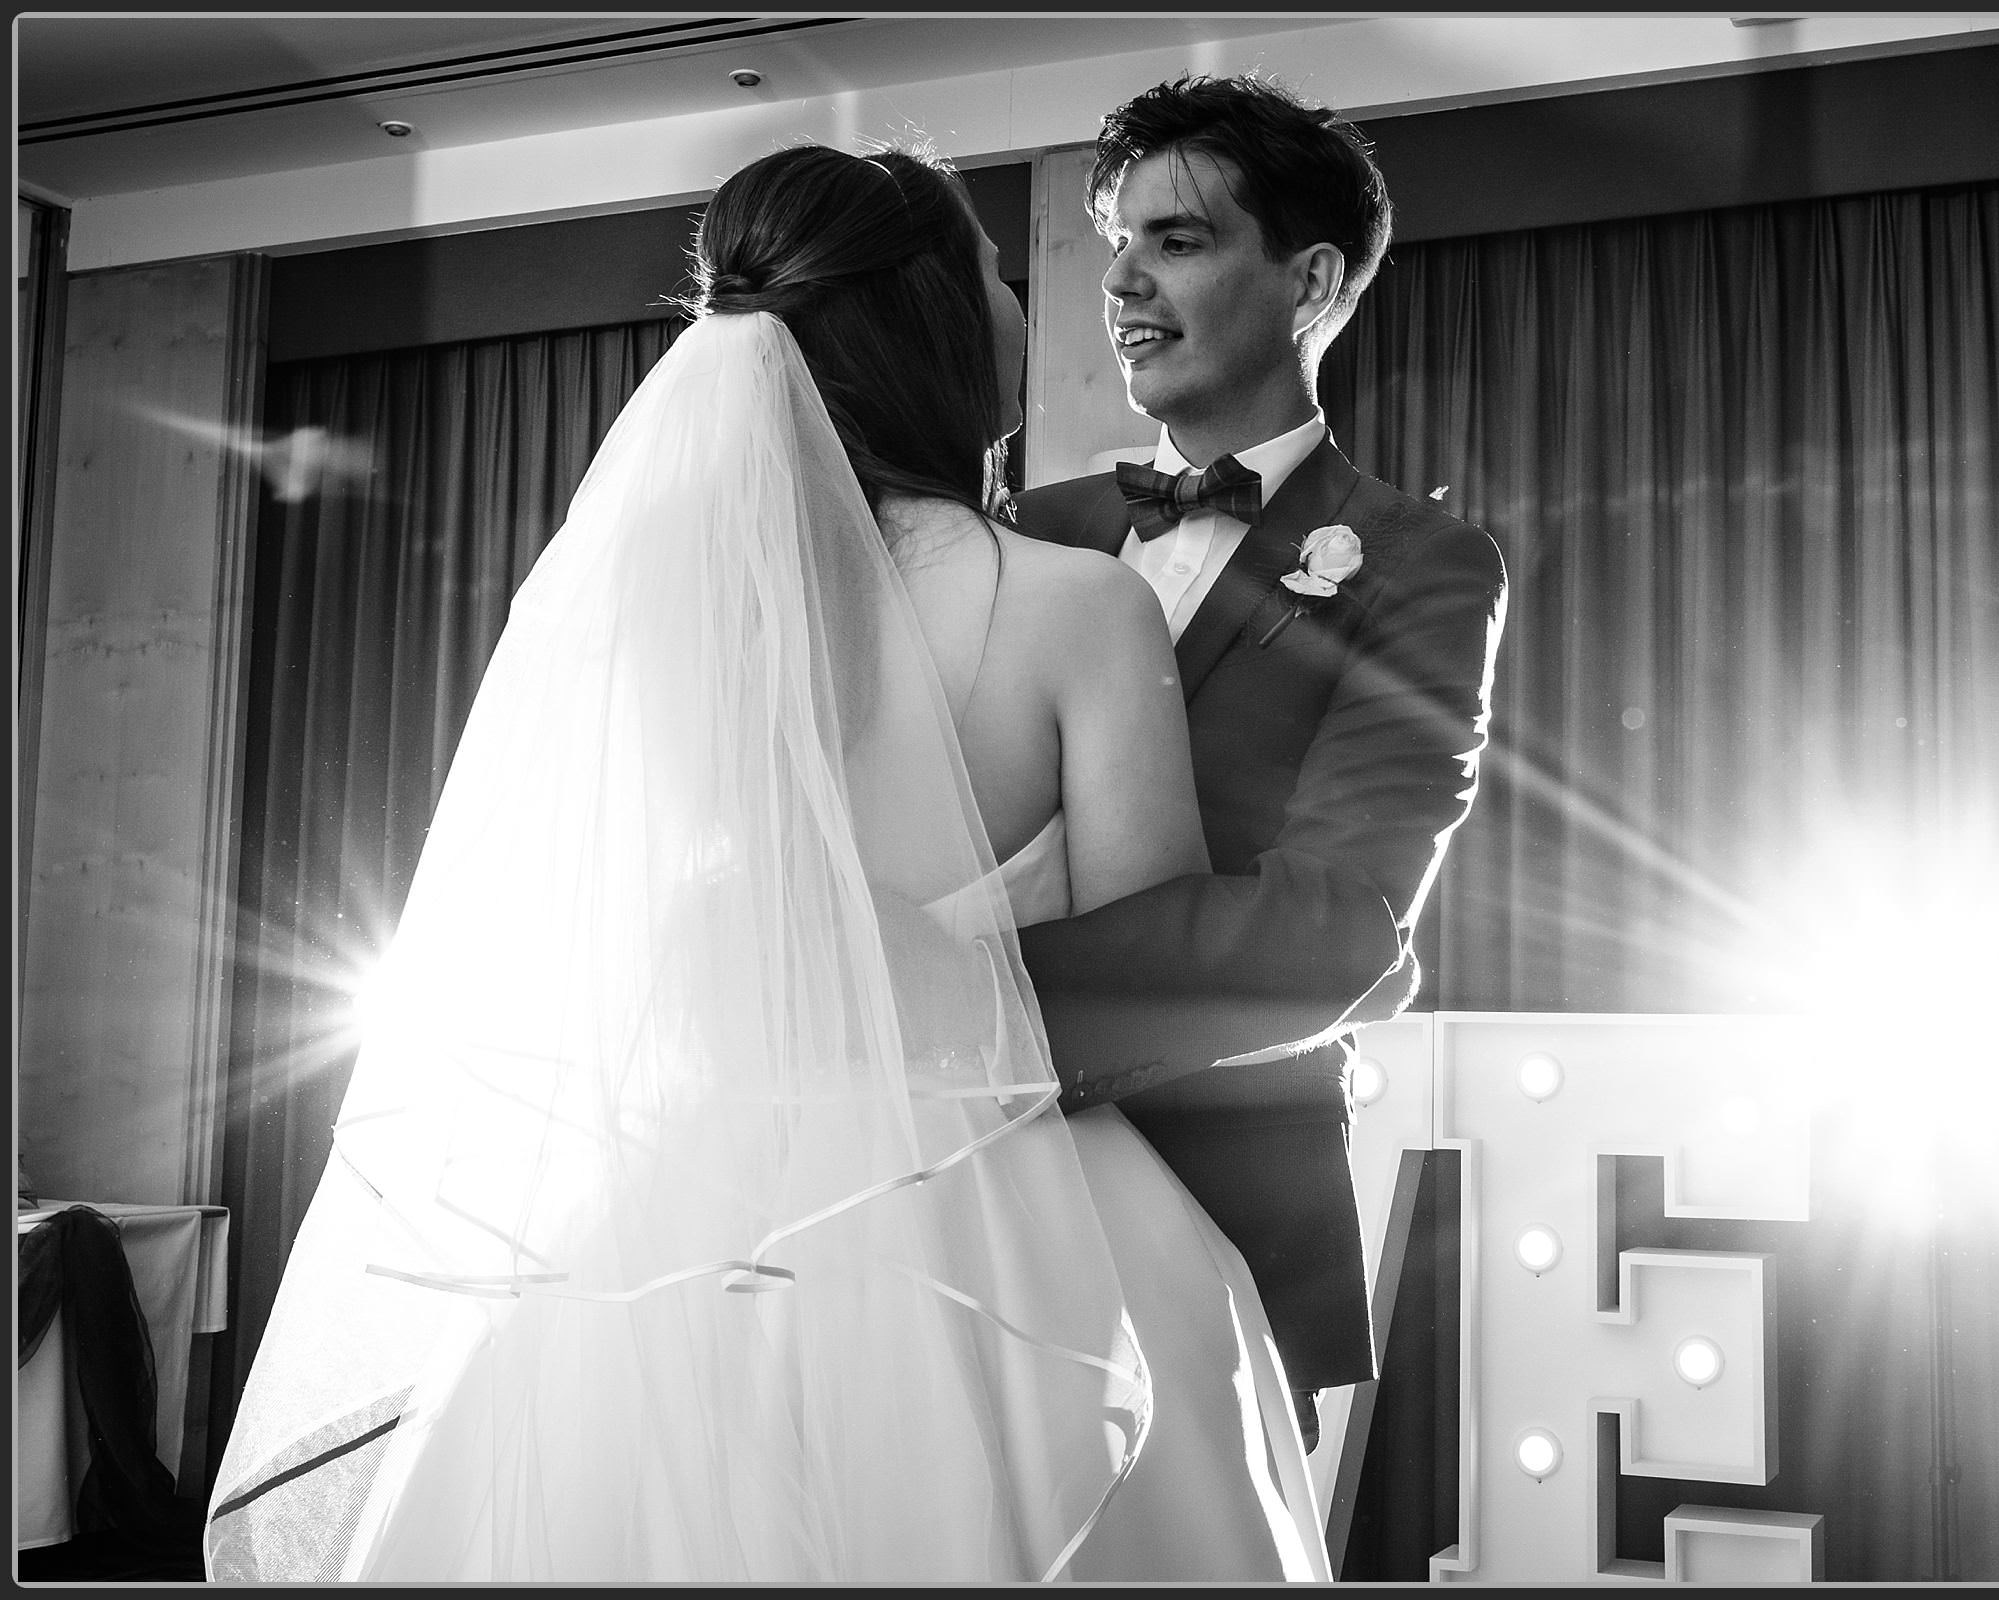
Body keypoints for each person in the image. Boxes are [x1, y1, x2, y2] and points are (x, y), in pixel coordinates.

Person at [202, 142, 1323, 1583]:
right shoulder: (1073, 606)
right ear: (930, 317)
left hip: (696, 1205)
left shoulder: (656, 586)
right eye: (989, 268)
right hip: (1026, 1204)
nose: (1018, 294)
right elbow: (1144, 967)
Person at [1011, 73, 1508, 1460]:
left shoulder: (1420, 564)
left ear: (1310, 279)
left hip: (1218, 1211)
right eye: (1116, 240)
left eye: (1176, 240)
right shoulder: (1027, 530)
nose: (1121, 281)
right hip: (957, 1193)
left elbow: (1339, 930)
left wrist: (961, 994)